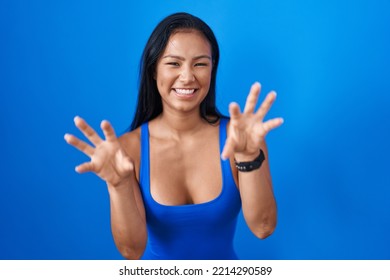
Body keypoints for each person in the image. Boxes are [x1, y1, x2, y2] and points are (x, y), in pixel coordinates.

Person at [64, 12, 283, 260]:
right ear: (154, 70)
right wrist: (119, 186)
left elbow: (263, 227)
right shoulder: (129, 149)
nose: (187, 77)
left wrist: (248, 155)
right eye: (174, 63)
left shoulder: (240, 139)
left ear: (213, 69)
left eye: (200, 64)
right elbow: (131, 250)